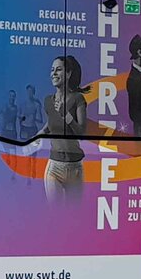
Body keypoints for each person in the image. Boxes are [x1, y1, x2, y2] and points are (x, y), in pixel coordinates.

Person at [38, 56, 87, 201]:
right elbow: (49, 126)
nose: (54, 73)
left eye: (58, 69)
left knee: (74, 215)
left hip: (75, 168)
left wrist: (66, 115)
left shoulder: (78, 99)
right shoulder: (48, 101)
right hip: (54, 167)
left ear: (68, 73)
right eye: (52, 70)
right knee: (56, 215)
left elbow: (81, 133)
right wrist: (35, 138)